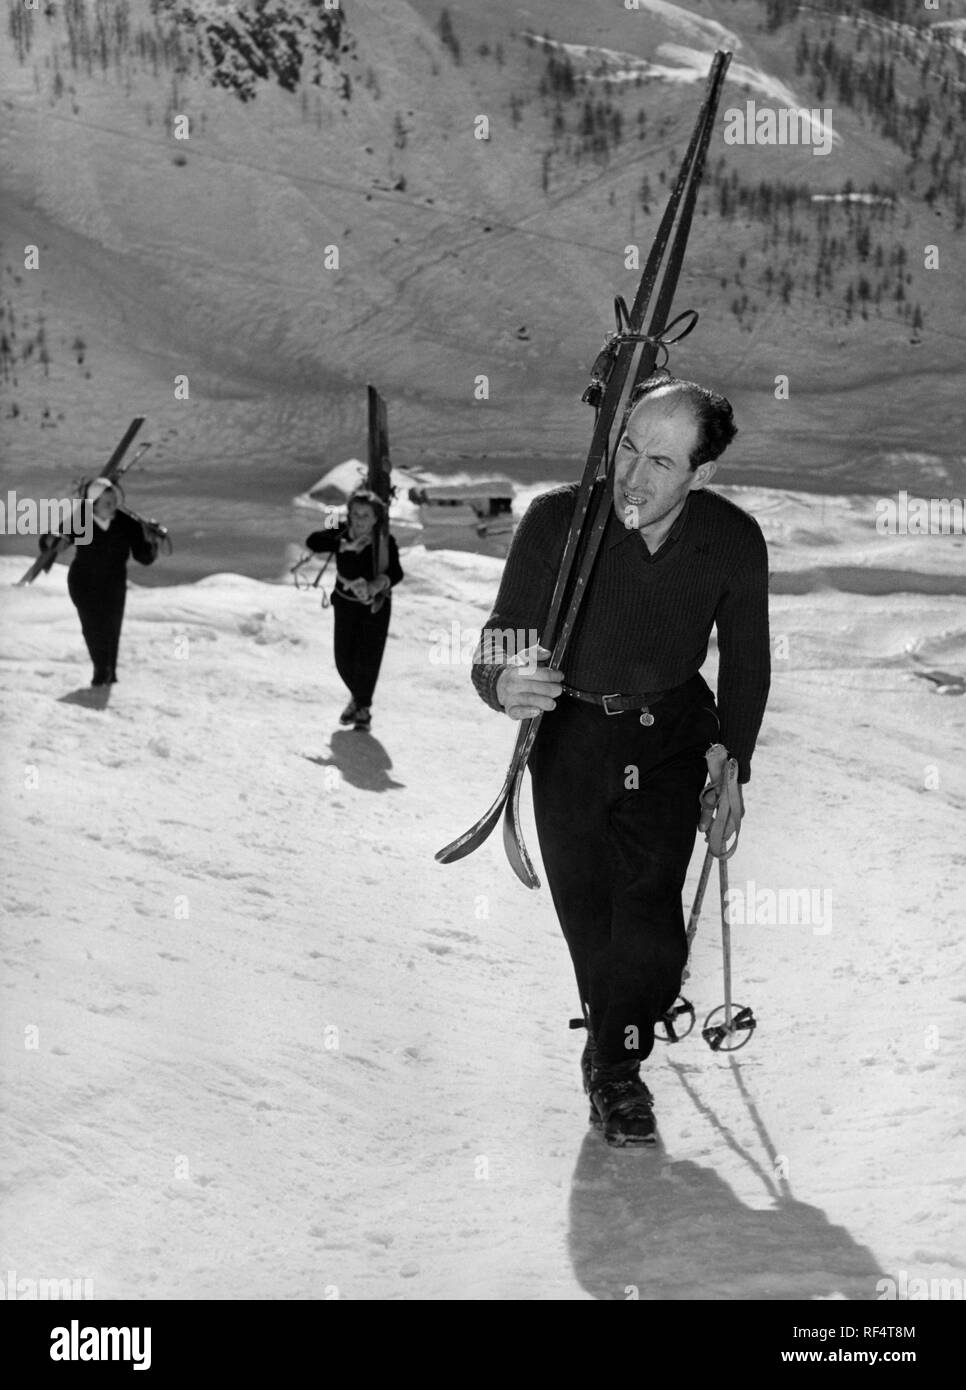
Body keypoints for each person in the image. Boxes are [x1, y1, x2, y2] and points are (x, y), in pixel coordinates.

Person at [471, 373, 770, 1147]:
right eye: (627, 446)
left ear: (701, 475)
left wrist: (733, 764)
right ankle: (618, 1035)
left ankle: (614, 1068)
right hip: (571, 740)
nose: (632, 476)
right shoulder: (556, 523)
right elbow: (503, 633)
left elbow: (746, 664)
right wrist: (502, 678)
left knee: (652, 930)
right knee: (593, 923)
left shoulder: (730, 542)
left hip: (668, 738)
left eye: (661, 463)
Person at [40, 477, 159, 687]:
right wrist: (54, 539)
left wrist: (151, 540)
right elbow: (50, 540)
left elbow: (144, 557)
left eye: (114, 501)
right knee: (93, 627)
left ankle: (109, 672)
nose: (113, 506)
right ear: (93, 505)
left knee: (112, 628)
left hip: (114, 584)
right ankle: (100, 670)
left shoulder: (126, 523)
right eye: (107, 503)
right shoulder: (81, 521)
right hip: (84, 583)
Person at [305, 489, 403, 730]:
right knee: (343, 659)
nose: (359, 520)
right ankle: (357, 700)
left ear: (376, 518)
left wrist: (377, 584)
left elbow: (396, 572)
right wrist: (343, 546)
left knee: (368, 658)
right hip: (345, 602)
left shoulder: (384, 541)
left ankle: (363, 710)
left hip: (374, 606)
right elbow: (313, 541)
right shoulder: (339, 530)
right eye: (355, 514)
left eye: (365, 515)